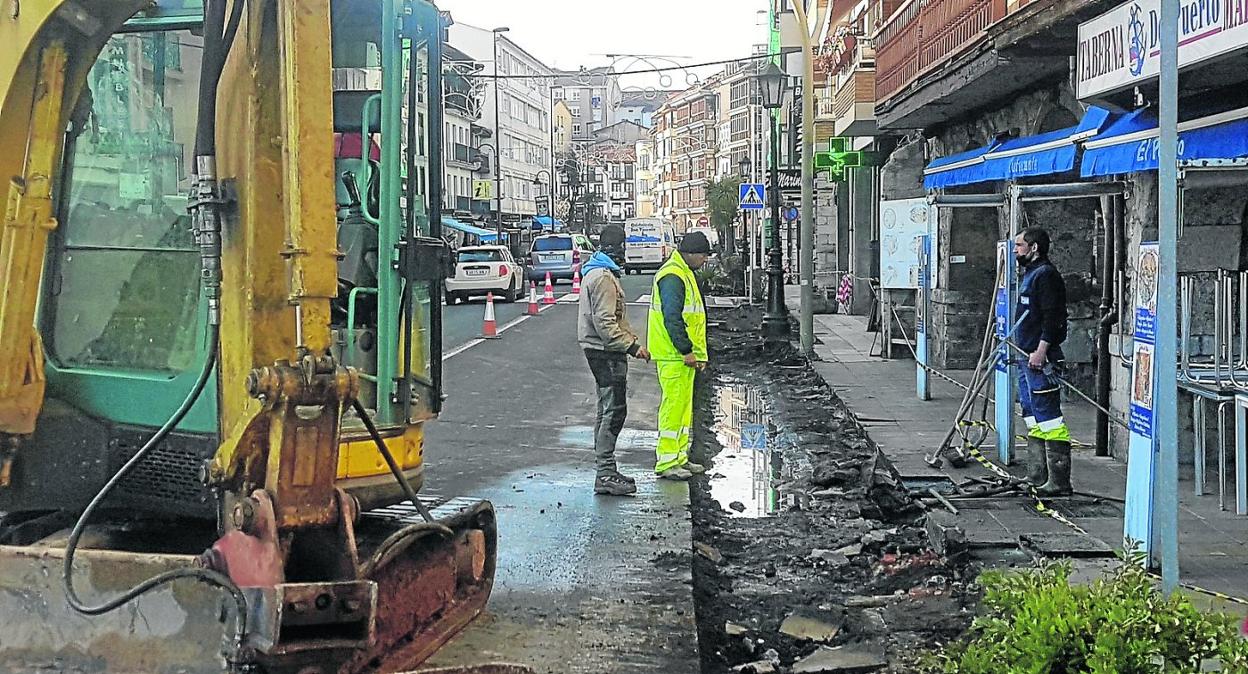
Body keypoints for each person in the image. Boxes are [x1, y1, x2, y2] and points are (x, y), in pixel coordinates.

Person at [578, 249, 651, 496]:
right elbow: (606, 322)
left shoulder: (596, 273)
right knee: (614, 410)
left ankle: (605, 471)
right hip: (605, 351)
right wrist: (632, 346)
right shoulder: (603, 278)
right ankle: (606, 473)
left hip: (600, 348)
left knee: (607, 408)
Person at [648, 231, 713, 481]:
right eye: (703, 256)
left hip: (682, 356)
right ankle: (666, 461)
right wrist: (686, 350)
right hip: (673, 355)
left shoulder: (683, 272)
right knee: (673, 407)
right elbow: (672, 318)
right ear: (692, 254)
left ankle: (679, 457)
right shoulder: (673, 275)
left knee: (683, 408)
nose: (705, 261)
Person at [1014, 227, 1072, 496]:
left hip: (1040, 357)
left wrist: (1041, 350)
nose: (1016, 250)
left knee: (1049, 417)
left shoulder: (1046, 276)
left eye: (1020, 245)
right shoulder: (1030, 275)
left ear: (1034, 247)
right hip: (1023, 355)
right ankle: (1037, 473)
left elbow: (1053, 317)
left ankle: (1059, 481)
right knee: (1031, 413)